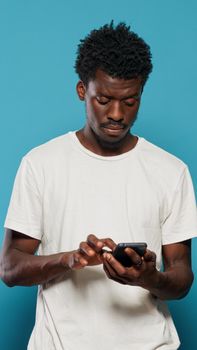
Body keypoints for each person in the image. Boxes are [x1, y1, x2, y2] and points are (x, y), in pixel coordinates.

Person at [0, 21, 197, 350]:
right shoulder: (40, 164)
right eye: (103, 99)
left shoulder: (171, 171)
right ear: (82, 91)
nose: (117, 114)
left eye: (130, 101)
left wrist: (150, 278)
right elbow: (10, 266)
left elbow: (182, 278)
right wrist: (70, 260)